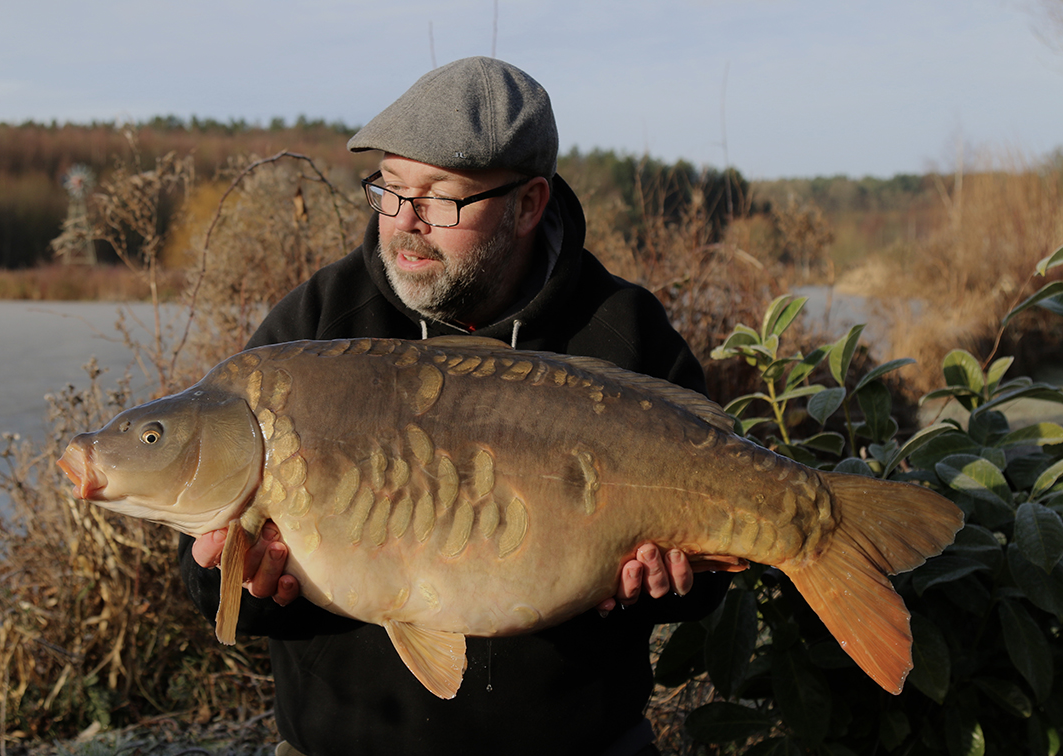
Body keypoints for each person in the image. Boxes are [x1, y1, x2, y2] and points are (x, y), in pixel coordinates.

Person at [178, 56, 732, 756]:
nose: (405, 223)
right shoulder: (317, 325)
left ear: (528, 205)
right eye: (390, 189)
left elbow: (705, 587)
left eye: (440, 199)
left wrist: (665, 586)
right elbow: (204, 580)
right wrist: (243, 580)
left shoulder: (620, 330)